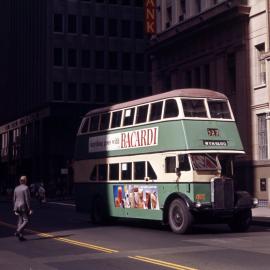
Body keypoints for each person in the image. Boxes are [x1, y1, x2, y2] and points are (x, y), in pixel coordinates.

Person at [13, 175, 32, 241]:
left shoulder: (16, 188)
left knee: (20, 221)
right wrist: (29, 209)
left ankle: (20, 236)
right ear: (25, 181)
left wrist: (14, 208)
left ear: (20, 181)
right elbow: (27, 199)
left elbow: (14, 199)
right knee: (26, 221)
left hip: (17, 206)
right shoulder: (26, 188)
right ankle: (18, 231)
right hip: (23, 206)